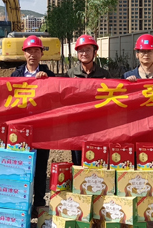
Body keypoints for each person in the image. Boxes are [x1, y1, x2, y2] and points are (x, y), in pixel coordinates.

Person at [10, 36, 56, 216]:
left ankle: (38, 202)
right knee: (20, 164)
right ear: (24, 53)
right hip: (21, 129)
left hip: (42, 128)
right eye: (29, 51)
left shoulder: (49, 75)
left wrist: (47, 80)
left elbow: (55, 96)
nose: (32, 54)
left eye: (36, 50)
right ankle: (20, 201)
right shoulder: (16, 75)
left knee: (40, 165)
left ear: (41, 54)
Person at [67, 35, 109, 166]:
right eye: (81, 50)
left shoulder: (104, 75)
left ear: (95, 52)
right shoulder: (70, 74)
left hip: (98, 125)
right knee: (78, 160)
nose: (84, 53)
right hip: (77, 125)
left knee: (97, 159)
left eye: (88, 50)